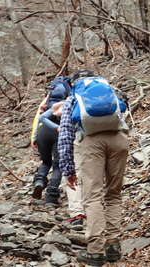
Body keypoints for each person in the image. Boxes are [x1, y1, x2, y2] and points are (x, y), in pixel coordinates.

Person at [58, 70, 129, 266]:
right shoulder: (109, 90)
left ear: (73, 83)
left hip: (91, 143)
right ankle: (113, 245)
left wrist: (68, 169)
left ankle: (96, 251)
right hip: (119, 139)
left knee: (93, 197)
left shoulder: (73, 98)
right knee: (114, 194)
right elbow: (123, 110)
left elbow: (65, 135)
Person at [39, 101, 86, 225]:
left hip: (52, 134)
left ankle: (77, 214)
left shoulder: (67, 101)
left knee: (54, 165)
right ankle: (95, 212)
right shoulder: (99, 97)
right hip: (98, 140)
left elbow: (42, 117)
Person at [30, 78, 71, 206]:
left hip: (42, 130)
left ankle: (40, 181)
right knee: (58, 165)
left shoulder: (47, 100)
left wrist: (34, 136)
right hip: (58, 130)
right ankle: (51, 197)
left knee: (46, 161)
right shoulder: (70, 97)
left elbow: (39, 116)